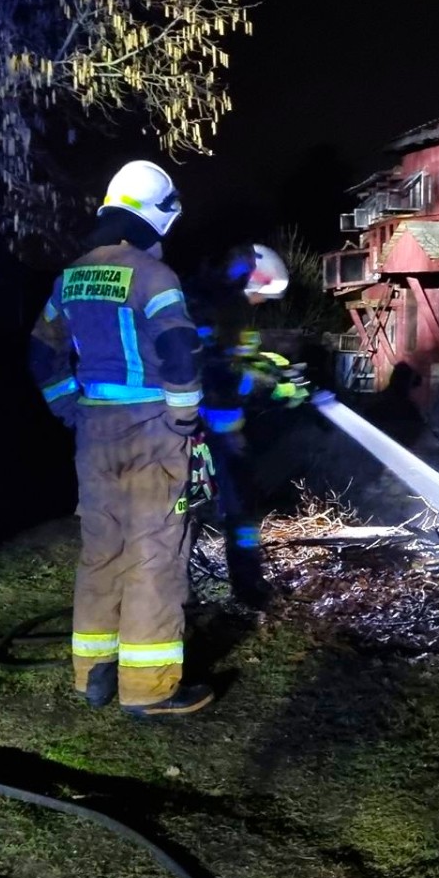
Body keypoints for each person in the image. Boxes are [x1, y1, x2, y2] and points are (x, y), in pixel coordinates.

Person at [29, 160, 213, 717]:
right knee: (155, 555)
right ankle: (150, 688)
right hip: (153, 432)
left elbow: (41, 352)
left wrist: (66, 404)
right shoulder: (155, 277)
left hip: (93, 432)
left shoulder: (71, 277)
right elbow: (180, 350)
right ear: (156, 216)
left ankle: (93, 674)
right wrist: (184, 418)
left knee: (101, 551)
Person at [186, 243, 307, 608]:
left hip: (223, 430)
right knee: (192, 510)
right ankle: (186, 591)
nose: (260, 303)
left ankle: (247, 584)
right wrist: (271, 385)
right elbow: (216, 372)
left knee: (238, 510)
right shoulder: (205, 308)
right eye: (260, 295)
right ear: (248, 282)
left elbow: (240, 356)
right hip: (198, 428)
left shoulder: (223, 305)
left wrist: (272, 365)